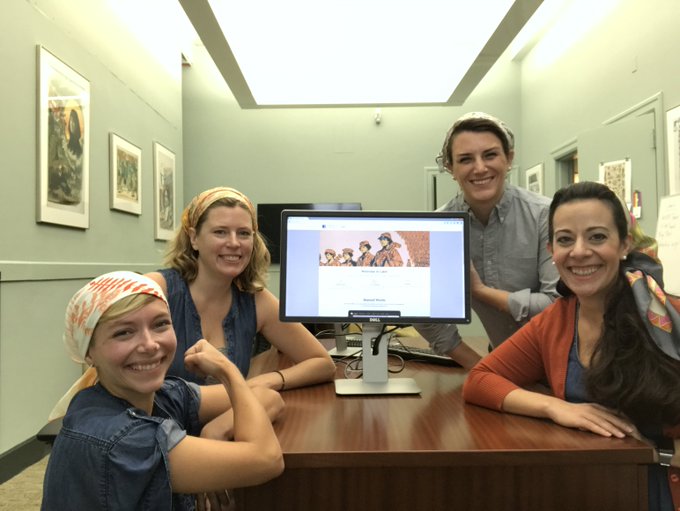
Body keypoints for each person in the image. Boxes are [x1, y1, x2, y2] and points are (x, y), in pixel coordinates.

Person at [463, 182, 680, 511]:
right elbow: (480, 380)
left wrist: (656, 452)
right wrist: (556, 408)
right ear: (552, 250)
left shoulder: (668, 318)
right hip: (585, 488)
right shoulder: (556, 320)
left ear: (625, 244)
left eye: (596, 237)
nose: (579, 251)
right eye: (565, 239)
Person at [42, 271, 284, 510]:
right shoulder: (124, 440)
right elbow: (266, 459)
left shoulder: (162, 395)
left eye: (160, 324)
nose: (149, 344)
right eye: (124, 332)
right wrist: (228, 371)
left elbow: (268, 397)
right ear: (88, 352)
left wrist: (214, 431)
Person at [146, 187, 336, 392]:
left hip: (226, 419)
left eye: (244, 233)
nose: (234, 243)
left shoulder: (255, 301)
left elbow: (322, 363)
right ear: (194, 238)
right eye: (220, 232)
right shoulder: (156, 289)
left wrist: (265, 382)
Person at [414, 112, 560, 369]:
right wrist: (479, 366)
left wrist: (481, 292)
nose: (480, 168)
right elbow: (424, 310)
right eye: (465, 159)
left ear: (509, 158)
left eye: (490, 155)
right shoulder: (437, 229)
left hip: (563, 364)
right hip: (503, 361)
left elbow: (557, 305)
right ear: (450, 168)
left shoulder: (545, 216)